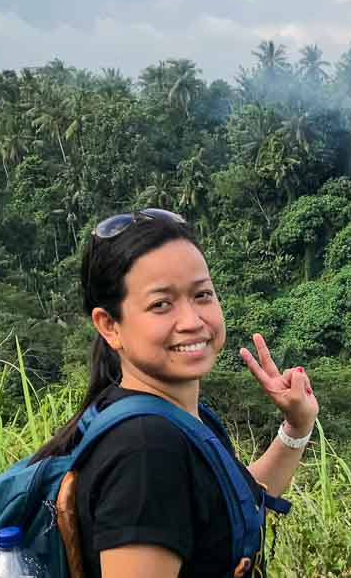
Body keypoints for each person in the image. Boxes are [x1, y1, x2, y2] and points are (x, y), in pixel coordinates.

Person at [31, 208, 319, 577]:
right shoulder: (147, 450)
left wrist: (297, 427)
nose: (192, 321)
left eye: (202, 295)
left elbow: (236, 505)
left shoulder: (171, 417)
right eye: (161, 304)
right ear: (110, 325)